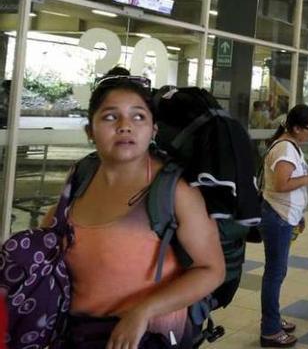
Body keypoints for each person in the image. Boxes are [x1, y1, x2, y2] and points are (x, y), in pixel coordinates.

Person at [47, 67, 225, 348]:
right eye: (109, 116)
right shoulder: (81, 175)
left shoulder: (175, 190)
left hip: (145, 336)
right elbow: (47, 241)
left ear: (153, 129)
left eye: (138, 116)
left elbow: (211, 270)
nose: (125, 126)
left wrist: (143, 311)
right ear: (89, 131)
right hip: (75, 332)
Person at [259, 104, 308, 347]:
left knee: (277, 272)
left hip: (283, 215)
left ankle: (272, 319)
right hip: (277, 217)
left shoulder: (289, 144)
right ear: (296, 128)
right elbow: (282, 184)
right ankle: (270, 330)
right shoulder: (285, 148)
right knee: (275, 273)